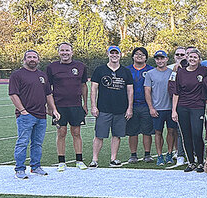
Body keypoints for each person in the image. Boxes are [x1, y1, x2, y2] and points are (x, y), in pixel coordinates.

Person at [9, 50, 60, 178]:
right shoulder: (17, 75)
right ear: (24, 60)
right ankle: (19, 169)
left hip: (41, 115)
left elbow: (48, 94)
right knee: (23, 142)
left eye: (35, 57)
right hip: (26, 116)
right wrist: (23, 111)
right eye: (29, 57)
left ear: (38, 60)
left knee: (37, 143)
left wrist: (53, 109)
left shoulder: (42, 75)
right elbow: (13, 94)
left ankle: (35, 166)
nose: (32, 59)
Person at [46, 43, 89, 171]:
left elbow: (83, 86)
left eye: (67, 50)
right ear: (58, 52)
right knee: (61, 133)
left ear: (72, 52)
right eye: (62, 50)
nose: (65, 53)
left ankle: (79, 160)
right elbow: (48, 88)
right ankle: (61, 162)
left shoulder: (80, 66)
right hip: (59, 106)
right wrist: (50, 106)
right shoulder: (51, 67)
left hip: (76, 105)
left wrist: (85, 104)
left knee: (76, 133)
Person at [90, 46, 134, 168]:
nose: (114, 55)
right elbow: (93, 89)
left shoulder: (126, 71)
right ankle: (94, 159)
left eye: (116, 53)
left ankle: (113, 159)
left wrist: (129, 108)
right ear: (108, 54)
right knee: (99, 135)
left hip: (120, 110)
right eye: (112, 53)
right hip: (103, 109)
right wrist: (93, 106)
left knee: (117, 135)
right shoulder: (100, 70)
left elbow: (130, 91)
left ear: (120, 55)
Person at [170, 48, 207, 172]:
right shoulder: (181, 72)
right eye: (190, 57)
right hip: (182, 107)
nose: (192, 59)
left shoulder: (204, 70)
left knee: (197, 134)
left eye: (195, 57)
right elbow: (176, 92)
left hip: (197, 106)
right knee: (186, 135)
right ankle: (191, 162)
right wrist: (174, 110)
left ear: (199, 60)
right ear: (187, 58)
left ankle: (200, 161)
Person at [144, 50, 178, 166]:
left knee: (171, 131)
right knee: (158, 132)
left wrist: (174, 108)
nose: (160, 61)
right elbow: (147, 92)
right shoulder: (150, 73)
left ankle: (169, 153)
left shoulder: (172, 72)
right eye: (158, 59)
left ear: (167, 59)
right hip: (157, 108)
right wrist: (151, 108)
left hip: (170, 108)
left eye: (162, 58)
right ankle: (159, 155)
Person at [125, 47, 155, 164]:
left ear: (146, 57)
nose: (139, 56)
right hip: (131, 105)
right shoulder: (127, 70)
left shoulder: (151, 70)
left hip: (147, 105)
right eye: (137, 54)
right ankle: (133, 155)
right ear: (132, 56)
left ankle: (147, 154)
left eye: (142, 54)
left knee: (147, 131)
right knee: (133, 131)